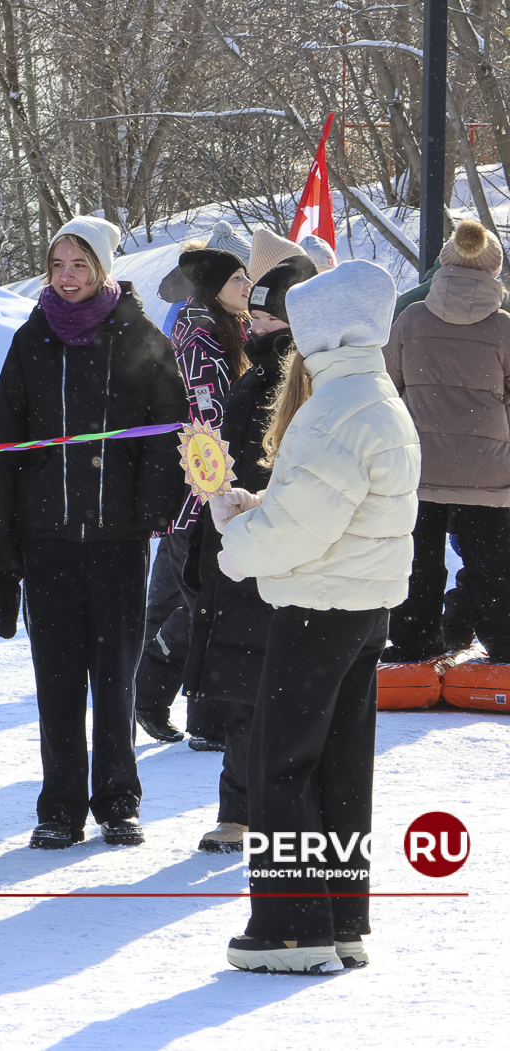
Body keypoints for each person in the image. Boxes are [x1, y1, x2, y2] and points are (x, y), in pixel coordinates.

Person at [216, 260, 420, 974]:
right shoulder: (375, 396)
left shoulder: (336, 409)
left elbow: (303, 527)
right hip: (360, 604)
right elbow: (327, 507)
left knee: (282, 762)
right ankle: (341, 918)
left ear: (326, 331)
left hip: (318, 606)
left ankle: (290, 927)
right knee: (340, 767)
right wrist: (257, 507)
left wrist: (237, 541)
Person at [0, 216, 188, 850]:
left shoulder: (140, 335)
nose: (67, 278)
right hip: (48, 537)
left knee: (115, 675)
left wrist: (148, 509)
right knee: (58, 678)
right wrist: (2, 532)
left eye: (80, 265)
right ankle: (61, 806)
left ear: (101, 269)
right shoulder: (32, 337)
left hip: (118, 538)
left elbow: (170, 431)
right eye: (57, 266)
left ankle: (119, 800)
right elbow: (3, 438)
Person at [181, 255, 317, 854]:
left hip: (285, 556)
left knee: (285, 697)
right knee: (242, 692)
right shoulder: (251, 377)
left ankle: (285, 813)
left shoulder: (309, 384)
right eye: (252, 318)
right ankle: (237, 812)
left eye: (266, 319)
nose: (253, 328)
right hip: (236, 551)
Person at [134, 244, 251, 749]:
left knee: (171, 600)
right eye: (237, 279)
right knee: (210, 602)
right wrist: (222, 487)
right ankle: (207, 718)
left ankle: (144, 694)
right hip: (202, 491)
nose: (247, 287)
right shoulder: (200, 338)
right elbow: (210, 423)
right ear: (213, 288)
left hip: (202, 493)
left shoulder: (233, 328)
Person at [383, 220, 510, 664]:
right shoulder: (504, 328)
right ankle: (503, 647)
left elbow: (389, 385)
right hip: (489, 467)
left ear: (445, 262)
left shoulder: (411, 318)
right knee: (492, 564)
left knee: (418, 560)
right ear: (493, 270)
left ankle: (414, 644)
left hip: (418, 465)